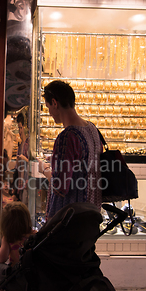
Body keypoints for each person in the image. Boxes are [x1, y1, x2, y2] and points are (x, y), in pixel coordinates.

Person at [38, 80, 102, 221]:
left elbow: (60, 187)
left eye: (48, 106)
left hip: (69, 220)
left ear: (55, 103)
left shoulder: (67, 137)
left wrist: (44, 170)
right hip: (91, 215)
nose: (49, 113)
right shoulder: (92, 129)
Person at [14, 113, 29, 204]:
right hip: (20, 183)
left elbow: (33, 162)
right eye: (18, 128)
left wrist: (25, 159)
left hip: (27, 183)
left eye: (21, 128)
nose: (19, 131)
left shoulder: (29, 144)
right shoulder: (20, 145)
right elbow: (16, 169)